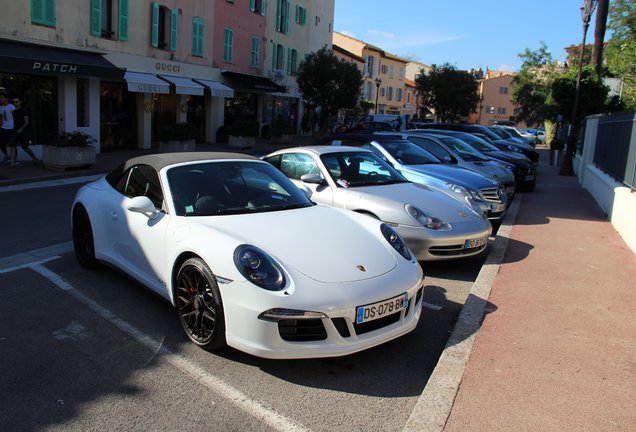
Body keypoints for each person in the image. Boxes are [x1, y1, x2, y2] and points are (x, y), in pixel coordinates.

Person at [12, 96, 39, 165]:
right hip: (14, 131)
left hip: (22, 132)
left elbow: (26, 122)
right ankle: (14, 161)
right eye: (14, 102)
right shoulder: (12, 111)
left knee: (25, 147)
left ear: (20, 102)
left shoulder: (24, 110)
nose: (15, 103)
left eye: (16, 102)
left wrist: (21, 129)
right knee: (13, 146)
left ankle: (34, 158)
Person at [0, 93, 17, 166]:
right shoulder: (0, 107)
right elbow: (1, 118)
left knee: (12, 144)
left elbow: (16, 116)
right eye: (0, 98)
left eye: (2, 98)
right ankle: (6, 155)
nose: (1, 99)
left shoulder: (11, 107)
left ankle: (13, 161)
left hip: (11, 128)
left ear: (6, 99)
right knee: (1, 143)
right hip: (3, 128)